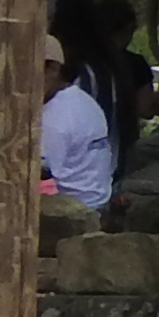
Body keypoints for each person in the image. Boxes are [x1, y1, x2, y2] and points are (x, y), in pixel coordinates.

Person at [38, 32, 118, 214]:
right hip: (99, 200)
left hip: (73, 210)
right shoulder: (84, 101)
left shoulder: (53, 118)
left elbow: (40, 176)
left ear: (52, 70)